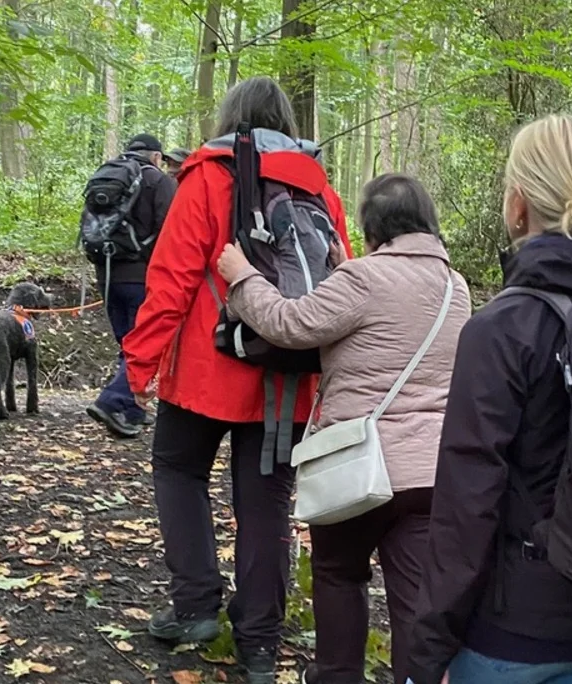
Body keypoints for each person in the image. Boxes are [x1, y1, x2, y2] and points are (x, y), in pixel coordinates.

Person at [407, 115, 572, 684]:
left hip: (508, 632)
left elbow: (465, 507)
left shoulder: (502, 328)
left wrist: (425, 655)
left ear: (517, 204)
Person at [122, 76, 352, 684]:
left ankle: (196, 605)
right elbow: (341, 280)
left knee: (177, 468)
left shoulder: (204, 176)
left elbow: (170, 279)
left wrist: (137, 366)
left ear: (230, 118)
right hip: (286, 370)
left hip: (207, 368)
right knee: (266, 502)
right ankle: (259, 645)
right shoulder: (318, 188)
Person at [216, 173, 471, 684]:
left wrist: (243, 276)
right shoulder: (455, 285)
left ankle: (337, 676)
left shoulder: (360, 280)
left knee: (338, 574)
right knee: (415, 602)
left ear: (372, 226)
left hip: (357, 465)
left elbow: (291, 323)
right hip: (429, 472)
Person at [85, 133, 177, 438]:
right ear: (155, 156)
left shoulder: (107, 175)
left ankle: (134, 410)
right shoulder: (158, 181)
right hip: (141, 276)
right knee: (143, 344)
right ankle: (113, 401)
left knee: (128, 342)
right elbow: (171, 230)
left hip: (106, 272)